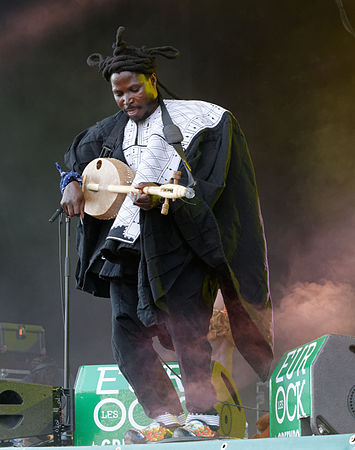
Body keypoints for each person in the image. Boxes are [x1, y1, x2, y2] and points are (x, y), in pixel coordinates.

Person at [60, 26, 273, 443]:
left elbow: (211, 185)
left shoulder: (203, 120)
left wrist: (168, 201)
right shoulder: (108, 130)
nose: (126, 100)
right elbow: (76, 158)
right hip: (127, 245)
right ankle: (165, 414)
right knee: (125, 331)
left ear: (152, 80)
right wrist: (69, 182)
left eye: (134, 90)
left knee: (185, 326)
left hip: (181, 244)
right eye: (119, 94)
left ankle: (204, 417)